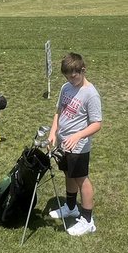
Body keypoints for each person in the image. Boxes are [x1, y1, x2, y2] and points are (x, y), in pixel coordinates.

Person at [47, 52, 103, 236]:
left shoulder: (91, 94)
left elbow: (97, 124)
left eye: (74, 75)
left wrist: (78, 135)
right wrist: (53, 132)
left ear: (83, 70)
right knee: (68, 174)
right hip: (63, 143)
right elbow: (59, 111)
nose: (71, 79)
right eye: (67, 76)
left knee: (82, 180)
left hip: (78, 147)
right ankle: (71, 207)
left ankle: (88, 220)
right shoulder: (66, 87)